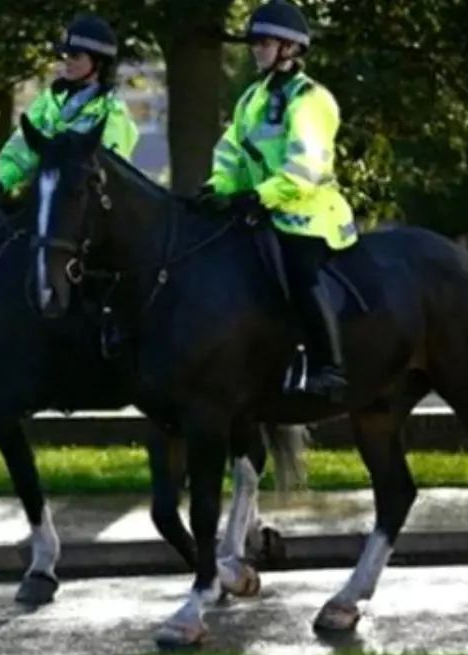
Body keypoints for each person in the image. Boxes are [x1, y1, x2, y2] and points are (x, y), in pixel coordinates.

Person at [195, 0, 358, 401]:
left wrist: (259, 196)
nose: (255, 49)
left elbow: (305, 168)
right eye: (255, 42)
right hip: (261, 209)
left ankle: (329, 367)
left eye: (263, 42)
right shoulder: (252, 96)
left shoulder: (311, 99)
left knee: (301, 273)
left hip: (308, 213)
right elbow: (231, 150)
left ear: (289, 48)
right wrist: (217, 189)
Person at [0, 14, 139, 206]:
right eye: (66, 56)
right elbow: (20, 148)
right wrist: (0, 182)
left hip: (82, 211)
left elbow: (110, 170)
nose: (67, 61)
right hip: (40, 197)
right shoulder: (48, 100)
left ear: (99, 63)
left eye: (75, 56)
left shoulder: (112, 112)